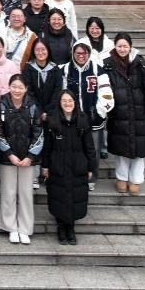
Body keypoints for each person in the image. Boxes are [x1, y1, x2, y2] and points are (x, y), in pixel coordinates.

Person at [104, 32, 145, 195]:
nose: (122, 49)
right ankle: (121, 178)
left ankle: (135, 180)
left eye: (125, 46)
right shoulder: (108, 64)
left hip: (139, 112)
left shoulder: (139, 63)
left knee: (139, 149)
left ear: (130, 47)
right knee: (121, 148)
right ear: (115, 46)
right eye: (119, 46)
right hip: (118, 113)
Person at [42, 90, 96, 244]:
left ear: (75, 102)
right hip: (57, 166)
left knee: (74, 197)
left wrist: (91, 167)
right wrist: (45, 166)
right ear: (59, 103)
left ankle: (70, 228)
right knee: (59, 197)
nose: (67, 104)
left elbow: (89, 146)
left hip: (77, 166)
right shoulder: (53, 120)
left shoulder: (82, 120)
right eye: (64, 101)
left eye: (70, 100)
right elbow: (47, 146)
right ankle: (61, 228)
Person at [0, 74, 44, 245]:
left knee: (25, 194)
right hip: (7, 157)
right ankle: (10, 227)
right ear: (9, 87)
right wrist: (9, 153)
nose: (17, 90)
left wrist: (30, 156)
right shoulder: (2, 105)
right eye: (14, 86)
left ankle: (25, 228)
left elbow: (39, 132)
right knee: (8, 193)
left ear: (26, 89)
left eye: (20, 87)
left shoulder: (33, 106)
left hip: (27, 159)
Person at [63, 40, 112, 183]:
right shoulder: (65, 69)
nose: (81, 56)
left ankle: (92, 178)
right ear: (73, 53)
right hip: (71, 117)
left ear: (89, 54)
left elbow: (106, 93)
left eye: (84, 53)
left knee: (93, 149)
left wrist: (100, 112)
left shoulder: (97, 69)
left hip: (93, 118)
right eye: (77, 53)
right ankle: (75, 176)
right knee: (73, 148)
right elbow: (61, 92)